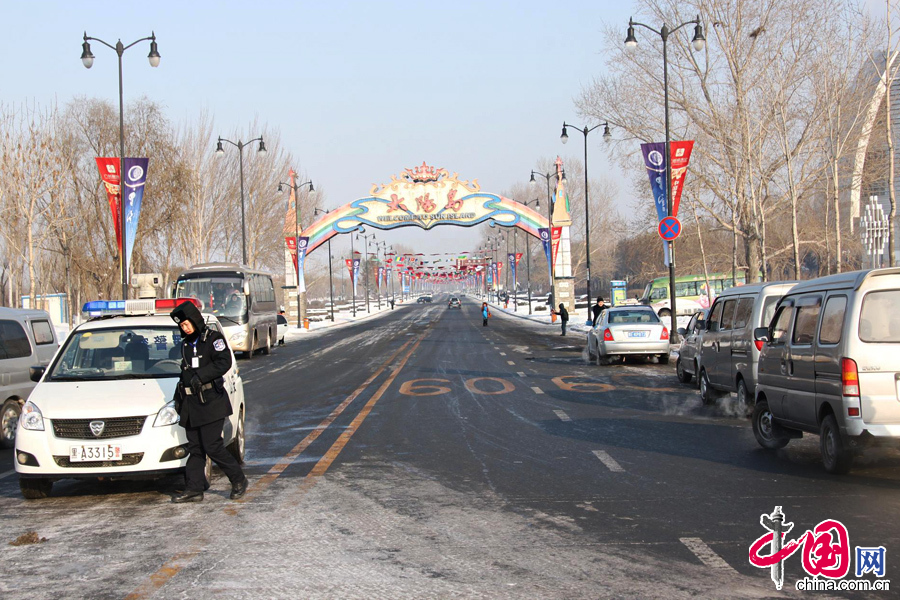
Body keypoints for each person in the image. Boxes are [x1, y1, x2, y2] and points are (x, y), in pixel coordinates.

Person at [170, 300, 248, 503]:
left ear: (195, 320)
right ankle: (194, 488)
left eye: (186, 324)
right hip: (191, 404)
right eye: (181, 326)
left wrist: (202, 376)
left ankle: (238, 480)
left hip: (211, 402)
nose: (184, 328)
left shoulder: (213, 339)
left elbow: (224, 362)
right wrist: (179, 396)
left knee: (212, 446)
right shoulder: (186, 344)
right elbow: (185, 371)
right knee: (195, 447)